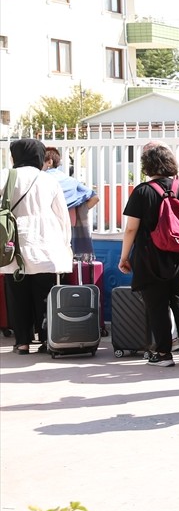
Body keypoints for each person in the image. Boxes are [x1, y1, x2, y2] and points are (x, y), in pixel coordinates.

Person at [118, 144, 179, 367]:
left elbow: (131, 228)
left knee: (157, 306)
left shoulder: (142, 191)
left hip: (150, 258)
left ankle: (163, 355)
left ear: (147, 166)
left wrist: (124, 257)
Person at [2, 139, 72, 354]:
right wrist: (65, 244)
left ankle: (22, 342)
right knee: (45, 296)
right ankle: (46, 339)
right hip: (45, 244)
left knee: (16, 296)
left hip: (12, 245)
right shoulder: (48, 180)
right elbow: (62, 216)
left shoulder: (5, 175)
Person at [43, 147, 99, 257]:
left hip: (47, 228)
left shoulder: (41, 179)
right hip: (69, 227)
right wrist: (80, 208)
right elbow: (95, 198)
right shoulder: (71, 181)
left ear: (49, 162)